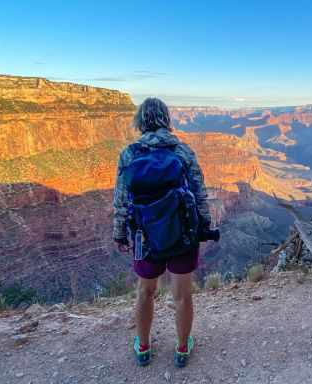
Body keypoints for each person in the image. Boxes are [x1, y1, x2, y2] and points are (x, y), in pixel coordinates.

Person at [112, 97, 212, 368]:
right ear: (167, 119)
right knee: (182, 295)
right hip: (182, 234)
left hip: (145, 237)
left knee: (145, 292)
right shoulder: (183, 152)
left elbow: (121, 200)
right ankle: (182, 349)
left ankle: (143, 347)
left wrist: (120, 233)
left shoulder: (129, 154)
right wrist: (204, 226)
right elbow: (200, 195)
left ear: (140, 121)